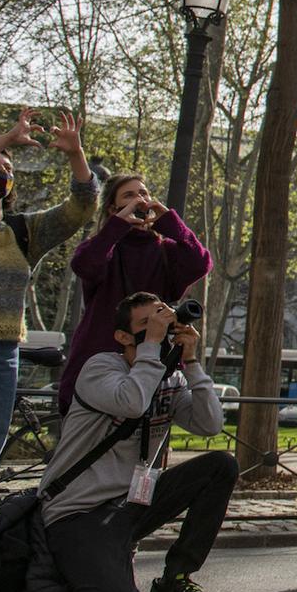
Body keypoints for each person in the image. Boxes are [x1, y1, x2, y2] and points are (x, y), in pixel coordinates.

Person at [0, 109, 97, 592]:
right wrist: (2, 141)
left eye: (8, 169)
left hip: (0, 356)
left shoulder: (22, 232)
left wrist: (76, 154)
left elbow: (80, 209)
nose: (1, 171)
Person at [27, 292, 235, 592]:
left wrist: (192, 363)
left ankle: (174, 581)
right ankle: (60, 573)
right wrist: (152, 344)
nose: (160, 329)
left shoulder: (170, 378)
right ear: (123, 336)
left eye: (163, 320)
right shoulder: (99, 369)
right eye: (147, 323)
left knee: (220, 465)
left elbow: (209, 425)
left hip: (132, 503)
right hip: (78, 510)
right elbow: (133, 402)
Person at [58, 172, 212, 412]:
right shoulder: (103, 246)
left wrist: (171, 223)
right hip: (101, 359)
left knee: (147, 438)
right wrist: (117, 226)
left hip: (155, 361)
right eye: (129, 195)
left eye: (143, 193)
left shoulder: (165, 251)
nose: (139, 200)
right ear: (113, 208)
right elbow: (84, 264)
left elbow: (200, 263)